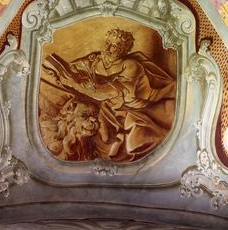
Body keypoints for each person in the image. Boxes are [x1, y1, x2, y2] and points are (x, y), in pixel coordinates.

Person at [41, 28, 176, 162]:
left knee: (109, 131)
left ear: (124, 50)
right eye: (107, 43)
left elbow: (111, 93)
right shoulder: (95, 60)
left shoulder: (130, 66)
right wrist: (60, 74)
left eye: (115, 46)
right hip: (102, 102)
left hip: (132, 108)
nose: (108, 48)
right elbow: (74, 71)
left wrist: (74, 84)